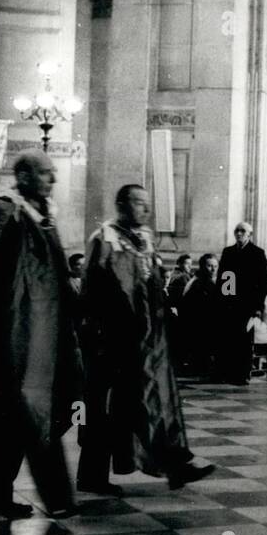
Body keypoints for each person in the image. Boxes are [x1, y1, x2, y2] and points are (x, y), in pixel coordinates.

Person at [78, 184, 214, 491]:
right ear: (121, 204)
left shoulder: (146, 240)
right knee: (102, 408)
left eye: (147, 204)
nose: (146, 210)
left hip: (145, 339)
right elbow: (91, 288)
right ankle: (91, 476)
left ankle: (174, 464)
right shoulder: (104, 239)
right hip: (109, 339)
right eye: (139, 203)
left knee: (152, 401)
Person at [0, 151, 82, 519]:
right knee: (25, 408)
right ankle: (52, 497)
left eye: (53, 173)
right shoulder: (7, 208)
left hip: (48, 327)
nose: (53, 179)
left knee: (23, 412)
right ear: (21, 175)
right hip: (16, 328)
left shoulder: (47, 213)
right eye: (45, 173)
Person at [217, 222, 267, 385]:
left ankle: (242, 374)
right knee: (228, 338)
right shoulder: (228, 252)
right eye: (237, 231)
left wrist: (258, 307)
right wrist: (225, 300)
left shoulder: (257, 253)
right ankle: (227, 372)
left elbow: (261, 283)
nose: (239, 234)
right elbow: (225, 277)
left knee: (244, 339)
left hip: (248, 303)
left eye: (243, 231)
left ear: (250, 234)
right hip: (230, 302)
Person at [181, 253, 223, 378]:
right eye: (209, 266)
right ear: (202, 267)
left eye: (215, 266)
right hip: (201, 323)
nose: (213, 269)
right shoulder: (196, 284)